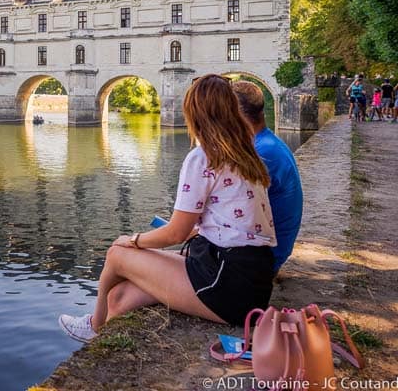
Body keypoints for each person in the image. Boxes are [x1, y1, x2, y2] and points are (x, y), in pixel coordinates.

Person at [58, 75, 276, 342]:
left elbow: (176, 234)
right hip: (251, 278)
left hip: (227, 284)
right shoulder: (247, 154)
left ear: (194, 114)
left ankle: (93, 325)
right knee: (120, 296)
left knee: (116, 253)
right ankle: (104, 330)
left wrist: (134, 241)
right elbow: (206, 225)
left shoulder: (203, 157)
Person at [231, 81, 303, 273]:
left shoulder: (262, 152)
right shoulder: (267, 142)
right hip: (269, 249)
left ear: (235, 113)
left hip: (264, 257)